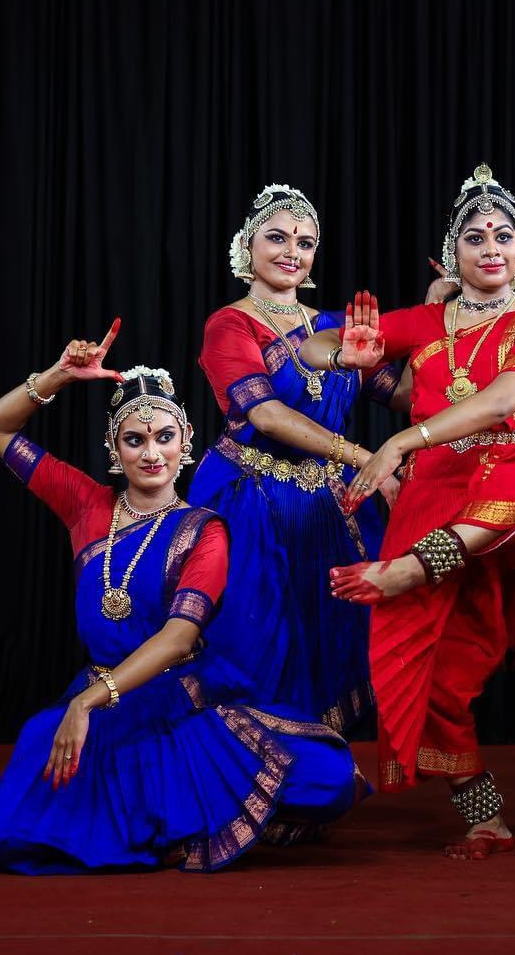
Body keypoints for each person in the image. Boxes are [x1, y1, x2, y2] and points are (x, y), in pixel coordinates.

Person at [0, 327, 366, 874]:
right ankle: (179, 816)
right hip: (108, 700)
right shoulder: (85, 505)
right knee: (0, 832)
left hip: (180, 698)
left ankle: (182, 809)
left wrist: (86, 702)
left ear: (186, 439)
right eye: (135, 440)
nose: (151, 453)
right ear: (114, 448)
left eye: (163, 437)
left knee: (329, 779)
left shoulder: (205, 530)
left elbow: (178, 638)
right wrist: (58, 376)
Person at [298, 164, 515, 859]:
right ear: (452, 252)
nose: (490, 246)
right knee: (435, 672)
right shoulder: (429, 321)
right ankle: (484, 813)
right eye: (474, 236)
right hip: (438, 492)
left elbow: (501, 401)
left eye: (503, 235)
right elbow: (313, 345)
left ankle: (413, 568)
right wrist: (343, 354)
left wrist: (401, 438)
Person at [187, 184, 388, 732]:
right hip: (252, 502)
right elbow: (267, 414)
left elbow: (410, 393)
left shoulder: (332, 327)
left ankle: (309, 784)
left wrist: (446, 309)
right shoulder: (230, 324)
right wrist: (364, 455)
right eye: (276, 237)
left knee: (330, 638)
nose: (290, 252)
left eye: (305, 242)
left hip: (328, 505)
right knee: (258, 640)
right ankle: (250, 779)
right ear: (246, 246)